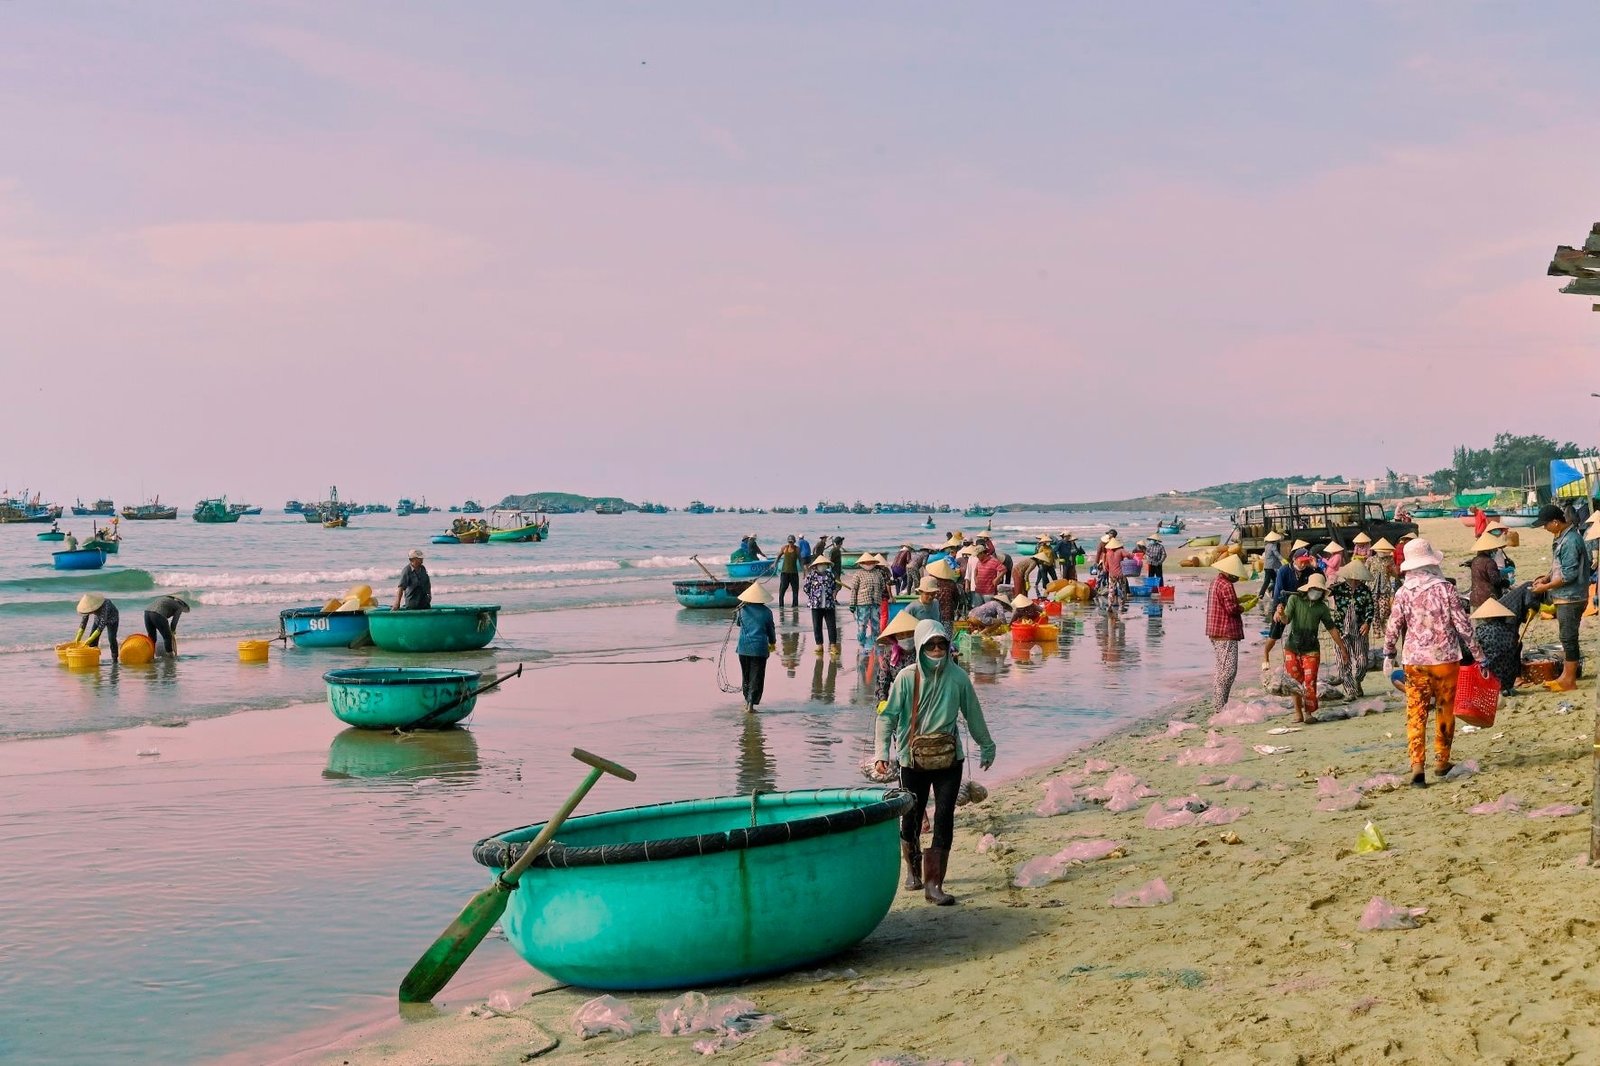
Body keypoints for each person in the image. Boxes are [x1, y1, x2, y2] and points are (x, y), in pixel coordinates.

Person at [873, 619, 996, 905]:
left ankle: (934, 884)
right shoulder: (906, 678)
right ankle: (913, 871)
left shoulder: (959, 678)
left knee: (943, 818)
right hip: (911, 760)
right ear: (920, 647)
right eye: (931, 645)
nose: (937, 650)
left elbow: (973, 714)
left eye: (942, 644)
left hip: (949, 760)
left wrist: (986, 746)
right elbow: (888, 716)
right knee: (911, 817)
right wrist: (882, 753)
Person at [1383, 537, 1486, 786]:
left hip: (1415, 661)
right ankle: (1441, 761)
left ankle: (1417, 766)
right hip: (1446, 659)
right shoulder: (1445, 589)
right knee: (1444, 709)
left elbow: (1393, 626)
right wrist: (1479, 655)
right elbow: (1463, 626)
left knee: (1416, 713)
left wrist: (1388, 653)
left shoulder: (1402, 593)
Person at [1531, 503, 1588, 692]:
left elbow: (1568, 575)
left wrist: (1545, 587)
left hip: (1571, 597)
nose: (1544, 528)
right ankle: (1565, 675)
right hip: (1565, 596)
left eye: (1545, 525)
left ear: (1555, 522)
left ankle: (1569, 679)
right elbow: (1559, 566)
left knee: (1569, 637)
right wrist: (1546, 577)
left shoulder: (1571, 540)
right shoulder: (1563, 537)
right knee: (1566, 637)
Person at [1281, 573, 1348, 724]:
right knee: (1295, 682)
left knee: (1310, 681)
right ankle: (1297, 712)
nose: (1316, 591)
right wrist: (1280, 614)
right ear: (1308, 588)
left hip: (1311, 649)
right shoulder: (1294, 600)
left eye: (1319, 589)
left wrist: (1342, 648)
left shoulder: (1321, 608)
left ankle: (1309, 712)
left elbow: (1332, 629)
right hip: (1292, 647)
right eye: (1314, 588)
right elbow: (1286, 619)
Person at [1205, 555, 1248, 710]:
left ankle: (1219, 704)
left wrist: (1239, 600)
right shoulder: (1226, 585)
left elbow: (1225, 603)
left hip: (1216, 631)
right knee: (1228, 671)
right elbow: (1231, 609)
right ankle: (1219, 706)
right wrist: (1243, 607)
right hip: (1226, 632)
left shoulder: (1216, 581)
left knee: (1220, 669)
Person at [1261, 549, 1315, 671]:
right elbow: (1278, 590)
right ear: (1294, 559)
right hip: (1284, 603)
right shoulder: (1284, 571)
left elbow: (1319, 582)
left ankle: (1298, 659)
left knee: (1301, 633)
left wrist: (1316, 567)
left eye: (1306, 562)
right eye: (1302, 561)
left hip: (1301, 605)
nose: (1304, 564)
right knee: (1274, 635)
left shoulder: (1310, 571)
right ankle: (1265, 655)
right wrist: (1277, 609)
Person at [1330, 561, 1375, 697]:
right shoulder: (1338, 588)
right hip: (1341, 630)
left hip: (1359, 630)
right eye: (1352, 578)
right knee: (1344, 662)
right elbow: (1320, 594)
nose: (1355, 581)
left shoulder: (1365, 590)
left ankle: (1357, 681)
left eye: (1357, 578)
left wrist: (1367, 623)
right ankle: (1350, 691)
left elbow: (1370, 608)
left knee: (1362, 662)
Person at [733, 583, 776, 713]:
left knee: (746, 675)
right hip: (759, 649)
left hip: (743, 648)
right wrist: (773, 642)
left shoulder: (741, 610)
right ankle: (751, 704)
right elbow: (771, 630)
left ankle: (747, 702)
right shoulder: (767, 612)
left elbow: (738, 624)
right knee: (756, 676)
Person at [1472, 598, 1521, 697]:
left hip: (1490, 673)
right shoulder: (1512, 629)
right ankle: (1506, 687)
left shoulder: (1482, 630)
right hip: (1509, 676)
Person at [873, 609, 921, 711]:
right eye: (901, 635)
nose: (906, 638)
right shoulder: (890, 657)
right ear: (895, 637)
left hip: (923, 701)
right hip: (900, 702)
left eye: (909, 634)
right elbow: (882, 684)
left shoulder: (923, 653)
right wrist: (882, 703)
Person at [847, 553, 891, 649]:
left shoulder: (878, 573)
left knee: (875, 625)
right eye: (866, 562)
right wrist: (852, 604)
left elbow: (883, 587)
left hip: (875, 603)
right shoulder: (858, 575)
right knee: (862, 625)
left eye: (870, 562)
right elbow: (854, 590)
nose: (868, 564)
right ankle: (862, 644)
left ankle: (874, 644)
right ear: (862, 563)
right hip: (862, 604)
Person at [803, 554, 841, 660]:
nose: (822, 566)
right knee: (817, 625)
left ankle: (833, 645)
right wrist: (813, 597)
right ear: (816, 565)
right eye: (820, 564)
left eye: (824, 564)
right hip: (816, 605)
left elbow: (834, 586)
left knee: (831, 625)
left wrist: (831, 595)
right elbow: (806, 588)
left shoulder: (830, 575)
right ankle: (819, 645)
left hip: (829, 604)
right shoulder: (811, 575)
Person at [1466, 532, 1510, 610]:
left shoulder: (1475, 560)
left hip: (1475, 598)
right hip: (1488, 599)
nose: (1496, 550)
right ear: (1488, 549)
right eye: (1494, 548)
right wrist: (1506, 582)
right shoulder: (1489, 562)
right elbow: (1496, 581)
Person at [73, 593, 119, 663]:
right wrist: (78, 638)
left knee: (111, 638)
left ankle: (115, 658)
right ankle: (94, 658)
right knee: (92, 642)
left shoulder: (106, 605)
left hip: (112, 619)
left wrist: (89, 640)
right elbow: (83, 623)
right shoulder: (87, 607)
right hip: (98, 619)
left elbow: (101, 627)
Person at [923, 560, 960, 630]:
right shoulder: (951, 584)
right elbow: (957, 599)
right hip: (947, 614)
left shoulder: (931, 582)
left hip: (932, 614)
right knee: (946, 637)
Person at [775, 535, 803, 609]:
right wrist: (774, 564)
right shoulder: (784, 548)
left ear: (794, 542)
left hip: (794, 573)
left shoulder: (797, 549)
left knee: (795, 590)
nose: (790, 543)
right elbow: (778, 557)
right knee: (782, 590)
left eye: (792, 542)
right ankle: (781, 606)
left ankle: (795, 606)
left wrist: (804, 570)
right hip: (785, 573)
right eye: (789, 542)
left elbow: (800, 560)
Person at [1258, 531, 1285, 602]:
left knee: (1275, 580)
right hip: (1271, 566)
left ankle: (1273, 595)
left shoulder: (1267, 546)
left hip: (1267, 566)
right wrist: (1283, 559)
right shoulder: (1273, 546)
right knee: (1267, 581)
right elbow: (1276, 554)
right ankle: (1261, 595)